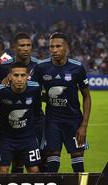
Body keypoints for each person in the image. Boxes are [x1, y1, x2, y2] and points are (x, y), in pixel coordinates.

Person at [32, 32, 91, 172]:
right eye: (51, 46)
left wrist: (84, 125)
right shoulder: (41, 67)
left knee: (77, 159)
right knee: (52, 158)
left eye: (58, 46)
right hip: (52, 121)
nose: (54, 50)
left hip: (74, 121)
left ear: (67, 48)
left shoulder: (77, 67)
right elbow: (30, 90)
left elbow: (87, 97)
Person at [0, 32, 46, 173]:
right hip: (10, 124)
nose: (26, 48)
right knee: (16, 160)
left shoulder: (40, 66)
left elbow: (44, 92)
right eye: (22, 45)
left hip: (36, 119)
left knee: (40, 160)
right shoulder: (3, 68)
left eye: (28, 45)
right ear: (14, 47)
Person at [0, 61, 41, 174]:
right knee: (2, 170)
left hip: (28, 136)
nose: (19, 79)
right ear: (9, 76)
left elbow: (37, 109)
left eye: (23, 75)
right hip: (6, 137)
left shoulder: (35, 88)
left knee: (34, 170)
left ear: (27, 76)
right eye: (16, 75)